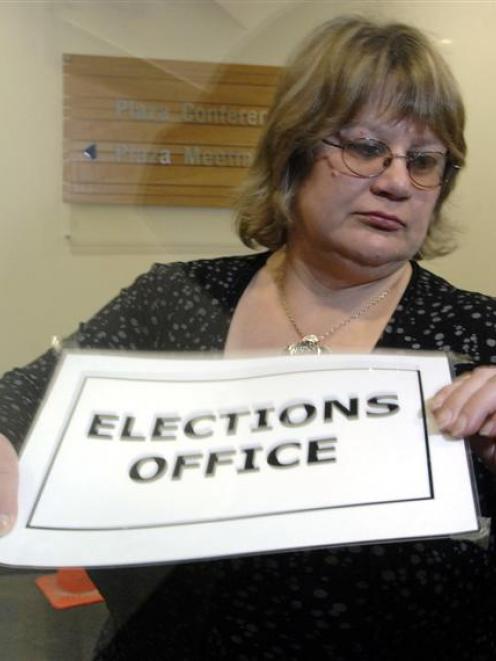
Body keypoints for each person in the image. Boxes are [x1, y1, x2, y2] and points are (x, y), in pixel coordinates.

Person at [2, 15, 496, 660]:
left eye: (424, 160)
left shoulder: (480, 334)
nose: (396, 182)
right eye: (365, 147)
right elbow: (20, 401)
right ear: (292, 153)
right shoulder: (175, 301)